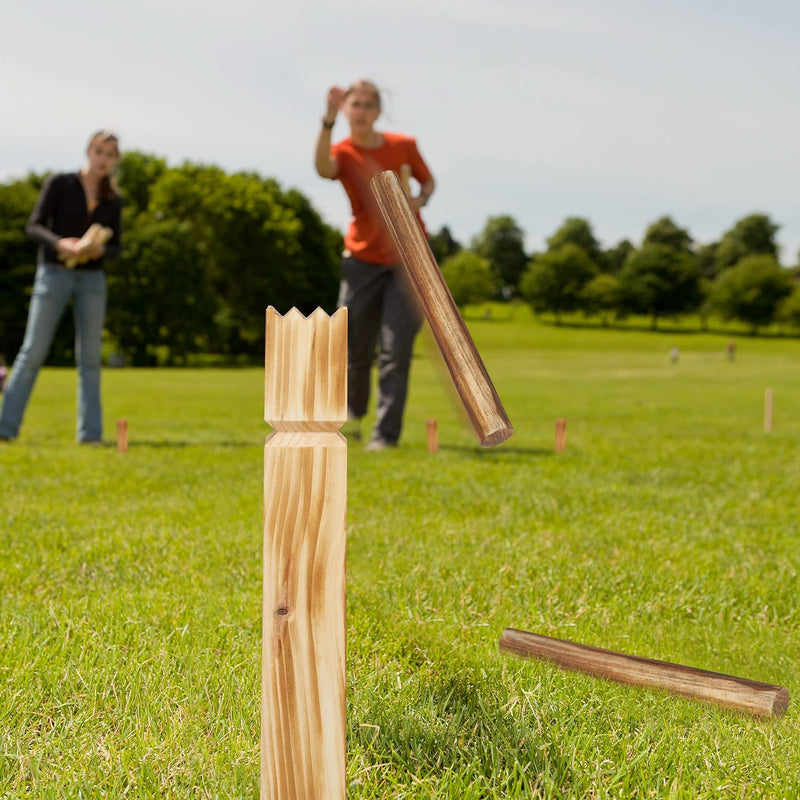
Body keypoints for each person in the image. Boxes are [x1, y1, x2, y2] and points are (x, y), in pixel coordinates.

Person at [315, 80, 435, 451]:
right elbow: (322, 168)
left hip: (408, 259)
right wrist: (327, 120)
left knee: (395, 351)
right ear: (347, 109)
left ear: (378, 110)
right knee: (352, 346)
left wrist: (419, 199)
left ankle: (385, 436)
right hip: (361, 259)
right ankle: (352, 419)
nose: (362, 110)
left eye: (368, 104)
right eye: (356, 104)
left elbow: (427, 182)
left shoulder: (404, 146)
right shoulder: (344, 151)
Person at [0, 131, 122, 443]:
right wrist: (60, 243)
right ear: (88, 151)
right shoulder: (61, 183)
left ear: (115, 160)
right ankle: (4, 428)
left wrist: (100, 250)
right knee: (32, 351)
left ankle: (91, 435)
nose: (103, 158)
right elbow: (34, 225)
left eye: (110, 154)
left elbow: (117, 247)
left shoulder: (113, 199)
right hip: (54, 273)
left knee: (90, 358)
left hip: (92, 279)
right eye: (99, 151)